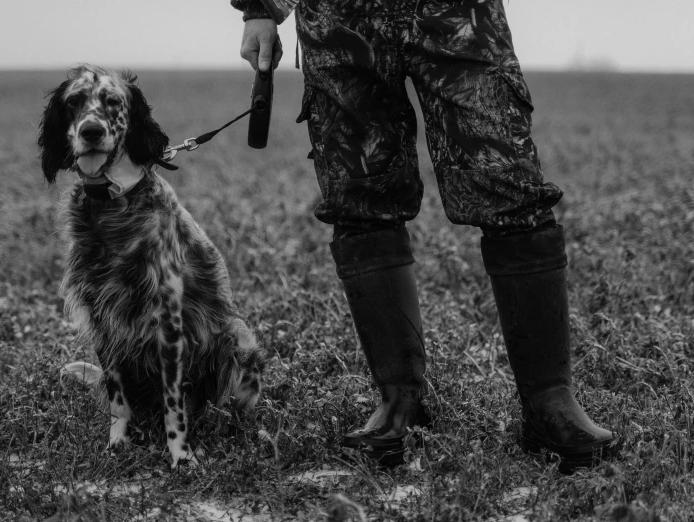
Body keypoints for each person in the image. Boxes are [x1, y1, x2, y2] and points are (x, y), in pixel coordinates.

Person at [230, 0, 615, 467]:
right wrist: (260, 10)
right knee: (360, 195)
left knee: (510, 184)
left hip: (458, 12)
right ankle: (399, 403)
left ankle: (550, 403)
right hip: (339, 15)